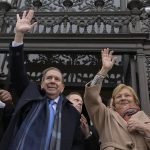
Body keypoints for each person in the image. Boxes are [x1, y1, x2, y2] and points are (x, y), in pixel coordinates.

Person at [0, 10, 82, 150]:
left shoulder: (72, 112)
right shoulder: (30, 95)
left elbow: (76, 144)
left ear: (62, 87)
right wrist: (19, 35)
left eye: (57, 79)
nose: (52, 81)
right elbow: (17, 71)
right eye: (48, 78)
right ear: (42, 83)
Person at [84, 48, 150, 150]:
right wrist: (104, 70)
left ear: (135, 100)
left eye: (127, 95)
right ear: (113, 103)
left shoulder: (145, 120)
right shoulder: (106, 117)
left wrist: (143, 128)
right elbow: (91, 98)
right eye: (118, 97)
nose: (123, 98)